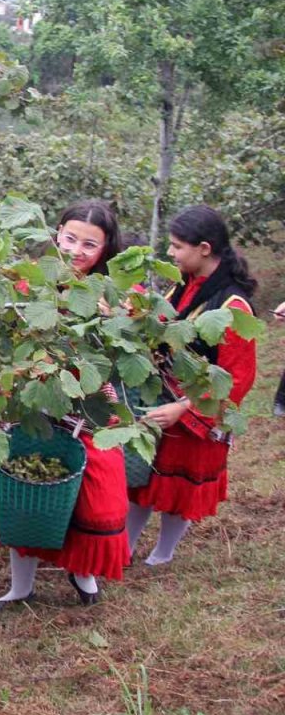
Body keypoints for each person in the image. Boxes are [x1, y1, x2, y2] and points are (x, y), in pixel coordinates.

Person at [0, 200, 131, 611]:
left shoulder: (113, 295)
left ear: (105, 250)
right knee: (26, 489)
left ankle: (82, 572)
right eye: (70, 239)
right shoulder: (31, 285)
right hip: (36, 402)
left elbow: (127, 352)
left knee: (95, 493)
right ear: (56, 236)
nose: (76, 250)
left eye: (90, 244)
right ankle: (20, 587)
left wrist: (111, 319)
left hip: (92, 407)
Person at [126, 206, 258, 565]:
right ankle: (125, 546)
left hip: (196, 410)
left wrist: (184, 407)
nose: (170, 253)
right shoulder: (183, 285)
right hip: (163, 397)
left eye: (176, 246)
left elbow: (237, 378)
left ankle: (162, 553)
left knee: (180, 488)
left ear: (203, 248)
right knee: (142, 481)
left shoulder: (232, 306)